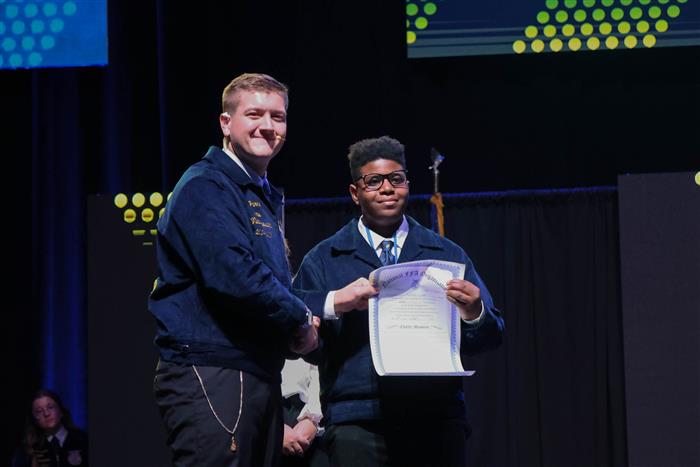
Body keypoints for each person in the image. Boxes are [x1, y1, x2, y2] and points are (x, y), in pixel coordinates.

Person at [293, 136, 505, 467]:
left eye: (396, 178)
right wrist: (334, 307)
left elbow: (490, 335)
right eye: (374, 181)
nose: (387, 189)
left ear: (407, 183)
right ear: (355, 193)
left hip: (436, 419)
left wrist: (473, 311)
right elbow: (300, 327)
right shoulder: (325, 258)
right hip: (358, 422)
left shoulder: (446, 255)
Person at [149, 73, 322, 467]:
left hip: (253, 370)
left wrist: (310, 315)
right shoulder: (205, 185)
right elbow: (236, 276)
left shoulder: (256, 191)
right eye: (254, 114)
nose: (268, 126)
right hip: (213, 370)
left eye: (278, 117)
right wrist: (299, 318)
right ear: (226, 123)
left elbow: (271, 284)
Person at [12, 389, 89, 467]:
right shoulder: (27, 450)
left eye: (50, 407)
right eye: (39, 411)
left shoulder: (83, 440)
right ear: (34, 419)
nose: (46, 414)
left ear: (61, 411)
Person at [280, 359, 323, 467]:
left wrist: (313, 419)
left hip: (308, 411)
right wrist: (274, 426)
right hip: (270, 411)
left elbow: (319, 370)